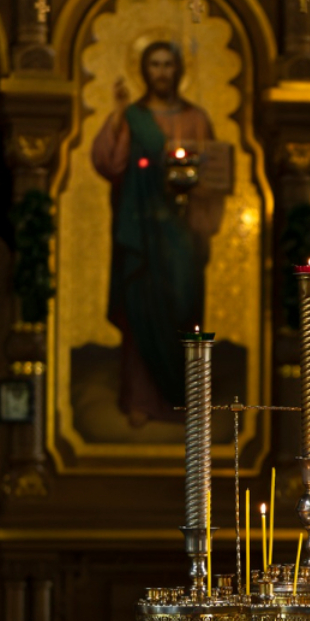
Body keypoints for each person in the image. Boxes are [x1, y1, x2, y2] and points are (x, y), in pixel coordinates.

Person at [92, 41, 224, 426]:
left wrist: (199, 188)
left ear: (178, 70)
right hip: (143, 232)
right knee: (141, 308)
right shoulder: (134, 117)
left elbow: (215, 172)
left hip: (183, 235)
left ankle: (184, 400)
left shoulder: (196, 118)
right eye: (155, 65)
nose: (162, 72)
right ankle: (141, 398)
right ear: (144, 71)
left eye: (168, 64)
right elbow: (109, 162)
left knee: (183, 308)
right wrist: (119, 114)